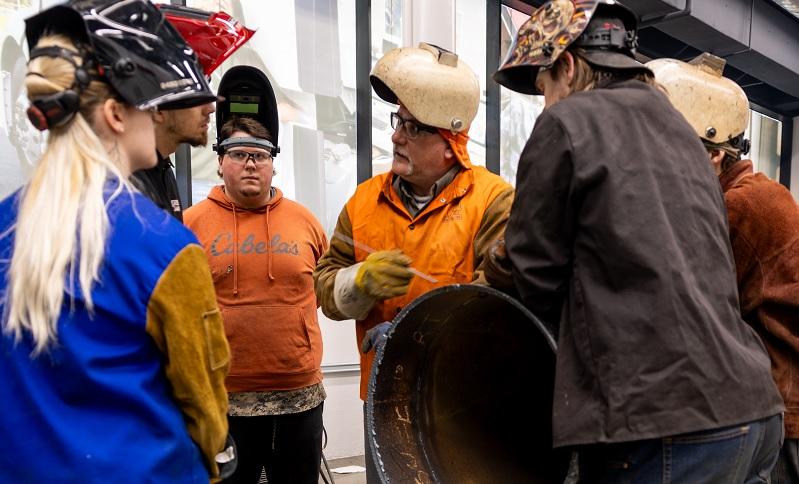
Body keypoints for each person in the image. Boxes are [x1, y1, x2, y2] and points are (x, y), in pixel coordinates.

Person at [491, 0, 783, 481]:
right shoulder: (682, 131)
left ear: (566, 66)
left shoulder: (567, 122)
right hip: (750, 410)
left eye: (543, 87)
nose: (544, 102)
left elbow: (533, 276)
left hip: (667, 423)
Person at [0, 1, 231, 482]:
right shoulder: (163, 248)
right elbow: (206, 411)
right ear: (116, 115)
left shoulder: (7, 227)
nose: (159, 116)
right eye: (151, 106)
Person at [313, 42, 513, 482]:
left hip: (463, 403)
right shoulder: (365, 202)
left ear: (451, 142)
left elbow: (494, 304)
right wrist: (357, 284)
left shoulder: (494, 202)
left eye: (413, 127)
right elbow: (325, 285)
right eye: (397, 121)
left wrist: (409, 336)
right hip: (383, 399)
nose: (396, 136)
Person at [648, 53, 799, 484]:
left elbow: (681, 312)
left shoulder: (740, 207)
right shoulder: (748, 196)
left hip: (783, 411)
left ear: (714, 155)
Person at [185, 65, 328, 484]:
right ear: (220, 161)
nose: (251, 164)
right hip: (222, 400)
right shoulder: (190, 225)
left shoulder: (305, 222)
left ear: (273, 163)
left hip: (298, 397)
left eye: (260, 155)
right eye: (239, 154)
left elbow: (322, 290)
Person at [132, 6, 254, 221]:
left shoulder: (159, 170)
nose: (211, 108)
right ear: (159, 109)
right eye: (198, 98)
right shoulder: (129, 185)